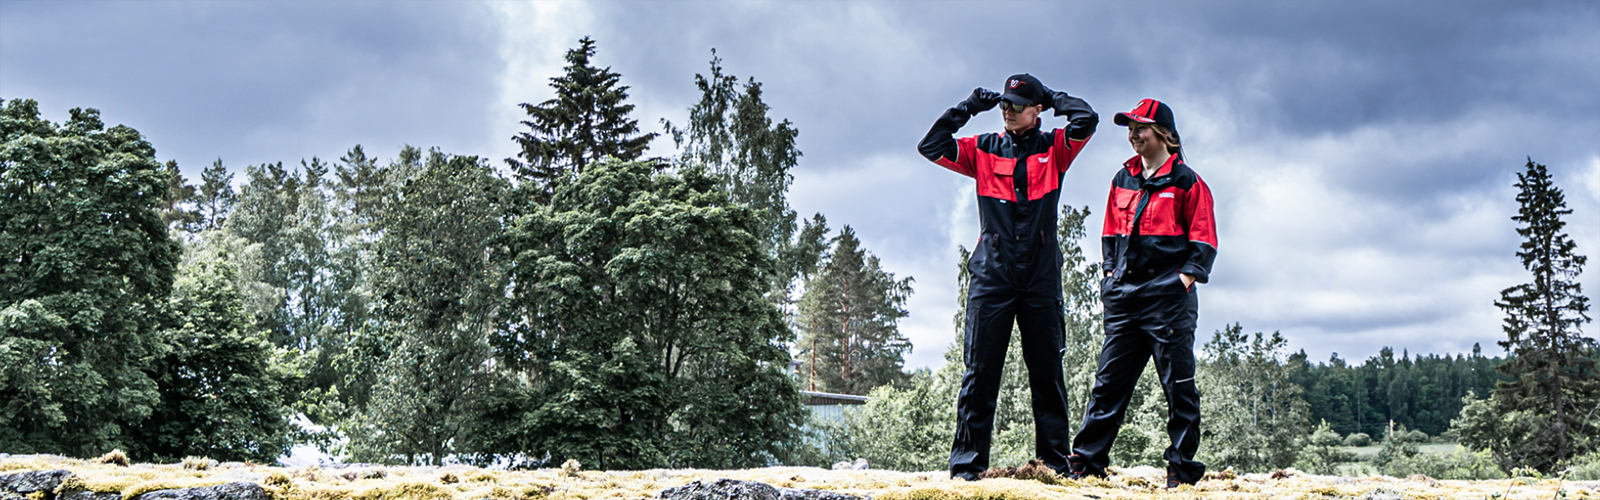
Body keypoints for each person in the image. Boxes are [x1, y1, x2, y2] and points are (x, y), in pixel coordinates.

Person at [917, 74, 1098, 480]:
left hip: (1040, 274)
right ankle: (966, 467)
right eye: (1004, 104)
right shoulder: (982, 148)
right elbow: (930, 146)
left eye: (1017, 105)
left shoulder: (1056, 148)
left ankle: (1052, 464)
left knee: (1047, 373)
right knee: (980, 372)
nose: (1008, 110)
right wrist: (966, 108)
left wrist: (1052, 97)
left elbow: (1087, 118)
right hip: (992, 275)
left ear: (1036, 111)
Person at [1067, 98, 1216, 488]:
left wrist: (1177, 285)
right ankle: (1087, 461)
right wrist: (1108, 279)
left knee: (1178, 388)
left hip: (1168, 304)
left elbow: (1203, 248)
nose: (1133, 134)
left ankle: (1181, 470)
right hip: (1124, 299)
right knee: (1107, 385)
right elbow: (1108, 237)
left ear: (1164, 134)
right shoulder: (1122, 179)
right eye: (1129, 128)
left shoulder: (1188, 183)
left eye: (1141, 128)